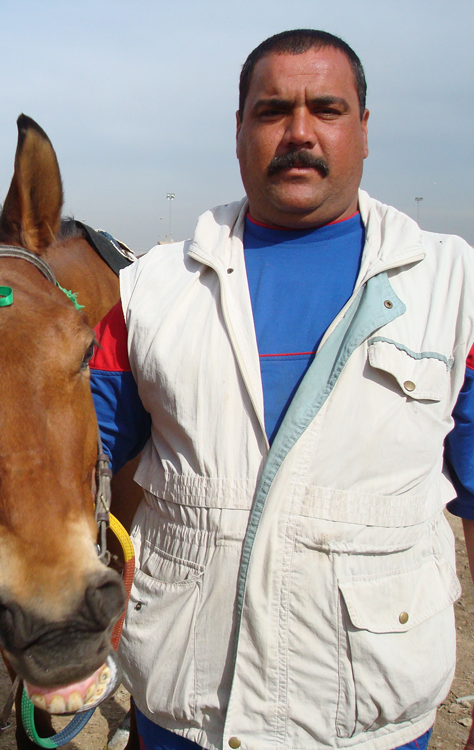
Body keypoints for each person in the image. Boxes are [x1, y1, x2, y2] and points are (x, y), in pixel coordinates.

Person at [91, 30, 474, 750]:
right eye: (272, 111)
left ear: (364, 131)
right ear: (238, 131)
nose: (299, 132)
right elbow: (78, 463)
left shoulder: (456, 290)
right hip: (187, 710)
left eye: (326, 109)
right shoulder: (149, 294)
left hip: (371, 718)